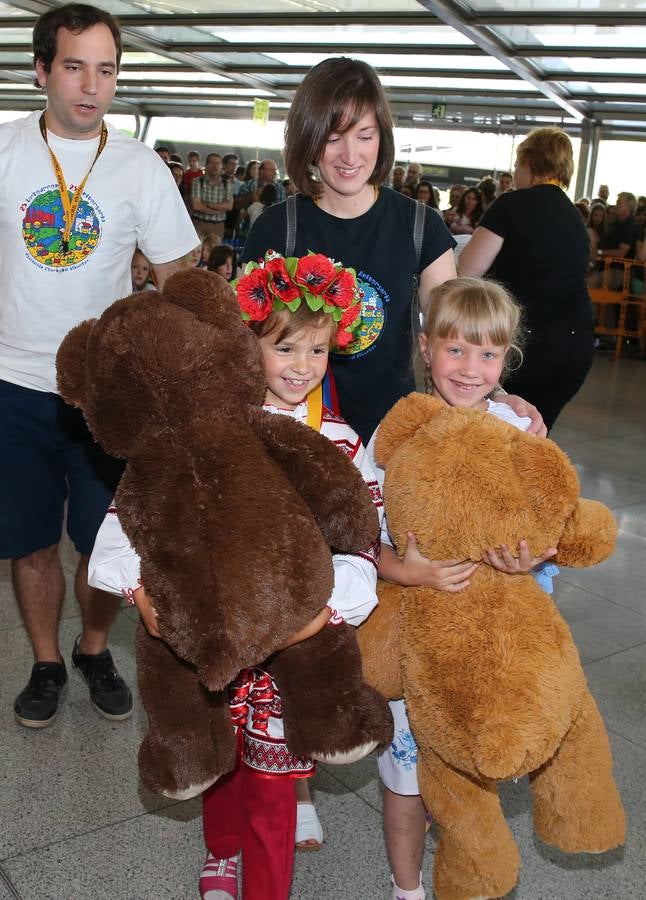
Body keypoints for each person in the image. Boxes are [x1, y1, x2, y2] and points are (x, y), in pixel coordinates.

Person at [88, 252, 382, 900]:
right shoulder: (196, 427)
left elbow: (361, 539)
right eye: (285, 347)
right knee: (217, 762)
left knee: (275, 784)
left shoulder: (341, 441)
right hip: (206, 644)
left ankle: (268, 890)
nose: (302, 366)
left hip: (293, 650)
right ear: (247, 342)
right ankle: (221, 852)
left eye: (318, 351)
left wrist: (322, 617)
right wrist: (144, 596)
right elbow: (127, 522)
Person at [0, 2, 199, 729]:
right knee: (26, 543)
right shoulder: (6, 149)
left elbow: (180, 279)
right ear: (42, 70)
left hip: (105, 396)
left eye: (106, 69)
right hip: (11, 386)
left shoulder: (140, 167)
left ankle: (92, 647)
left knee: (105, 540)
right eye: (75, 66)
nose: (91, 85)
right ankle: (47, 662)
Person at [369, 276, 558, 900]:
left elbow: (552, 524)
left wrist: (529, 556)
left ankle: (468, 878)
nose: (470, 369)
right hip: (415, 644)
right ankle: (406, 889)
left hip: (491, 644)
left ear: (506, 360)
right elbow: (360, 539)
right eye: (455, 350)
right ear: (426, 349)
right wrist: (406, 570)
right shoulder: (397, 432)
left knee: (471, 778)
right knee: (405, 782)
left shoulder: (518, 427)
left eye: (487, 354)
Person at [242, 57, 543, 446]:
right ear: (308, 142)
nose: (350, 156)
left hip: (391, 437)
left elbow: (456, 334)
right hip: (296, 434)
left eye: (364, 136)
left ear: (382, 138)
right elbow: (244, 342)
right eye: (333, 138)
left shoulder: (421, 228)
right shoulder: (277, 228)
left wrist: (498, 396)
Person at [458, 126, 593, 431]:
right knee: (534, 436)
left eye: (518, 164)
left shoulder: (511, 205)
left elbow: (468, 270)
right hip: (574, 349)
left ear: (529, 163)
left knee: (499, 437)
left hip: (526, 349)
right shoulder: (575, 218)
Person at [191, 152, 234, 239]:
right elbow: (196, 206)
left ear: (221, 166)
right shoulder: (198, 181)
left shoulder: (227, 183)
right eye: (212, 163)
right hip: (199, 223)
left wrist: (207, 204)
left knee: (215, 251)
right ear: (206, 165)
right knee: (197, 251)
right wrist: (217, 210)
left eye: (218, 163)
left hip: (218, 225)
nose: (215, 166)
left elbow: (229, 206)